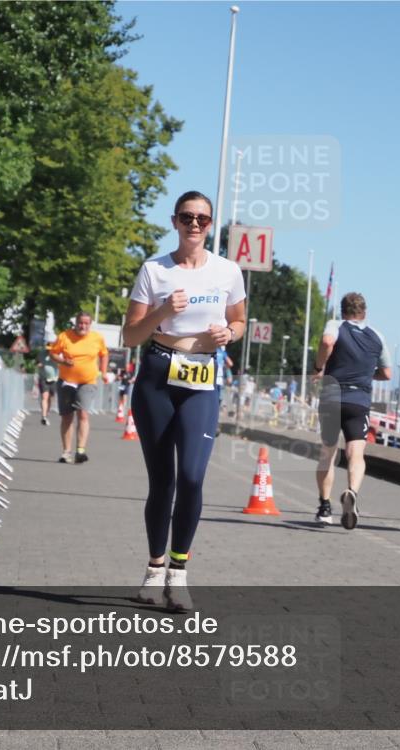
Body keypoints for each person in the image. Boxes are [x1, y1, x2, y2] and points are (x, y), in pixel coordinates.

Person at [122, 190, 246, 612]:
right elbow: (131, 336)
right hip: (158, 373)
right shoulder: (154, 270)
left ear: (212, 226)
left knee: (192, 476)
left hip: (202, 377)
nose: (195, 224)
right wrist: (160, 312)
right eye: (187, 217)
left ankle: (179, 573)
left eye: (203, 219)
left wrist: (230, 334)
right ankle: (155, 570)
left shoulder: (228, 271)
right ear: (174, 221)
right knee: (163, 481)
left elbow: (240, 320)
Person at [313, 292, 392, 529]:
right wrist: (368, 375)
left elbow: (327, 342)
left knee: (328, 452)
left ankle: (325, 507)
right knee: (355, 454)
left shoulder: (336, 325)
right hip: (359, 400)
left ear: (342, 311)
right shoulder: (377, 336)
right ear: (364, 313)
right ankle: (352, 492)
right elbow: (387, 373)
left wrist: (318, 367)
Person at [48, 312, 109, 464]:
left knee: (83, 414)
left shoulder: (97, 338)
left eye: (86, 323)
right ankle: (66, 452)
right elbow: (53, 354)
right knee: (67, 416)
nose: (83, 326)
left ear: (90, 324)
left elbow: (104, 354)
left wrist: (104, 372)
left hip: (87, 381)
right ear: (75, 323)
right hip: (66, 381)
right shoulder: (64, 336)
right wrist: (62, 361)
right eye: (80, 323)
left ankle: (80, 450)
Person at [36, 333, 58, 425]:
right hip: (43, 378)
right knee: (44, 397)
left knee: (50, 398)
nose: (49, 350)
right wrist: (39, 365)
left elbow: (62, 364)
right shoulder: (41, 354)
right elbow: (37, 362)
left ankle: (46, 413)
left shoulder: (57, 354)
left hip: (54, 379)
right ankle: (43, 416)